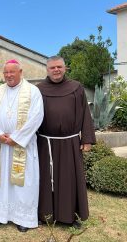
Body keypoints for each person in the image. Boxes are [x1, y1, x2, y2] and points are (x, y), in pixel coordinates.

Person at [0, 59, 44, 232]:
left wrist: (17, 138)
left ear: (20, 72)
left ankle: (23, 218)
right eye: (6, 73)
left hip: (21, 147)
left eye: (12, 72)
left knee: (22, 183)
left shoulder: (33, 92)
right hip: (1, 145)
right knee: (0, 181)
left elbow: (36, 117)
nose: (9, 75)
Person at [37, 56, 95, 228]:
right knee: (45, 179)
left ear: (65, 68)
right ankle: (45, 214)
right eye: (53, 67)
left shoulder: (76, 88)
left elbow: (85, 114)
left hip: (70, 143)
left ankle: (70, 215)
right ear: (47, 70)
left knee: (70, 180)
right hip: (45, 143)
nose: (56, 70)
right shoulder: (38, 89)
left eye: (59, 67)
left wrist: (87, 139)